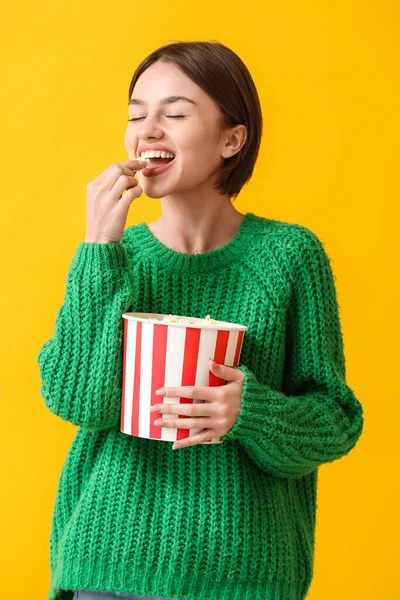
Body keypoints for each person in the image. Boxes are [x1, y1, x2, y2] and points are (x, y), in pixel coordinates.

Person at [37, 40, 364, 600]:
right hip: (107, 566)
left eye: (175, 112)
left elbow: (336, 420)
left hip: (243, 574)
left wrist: (250, 411)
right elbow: (73, 401)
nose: (148, 129)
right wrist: (97, 250)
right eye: (137, 114)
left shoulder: (289, 257)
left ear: (232, 139)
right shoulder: (117, 256)